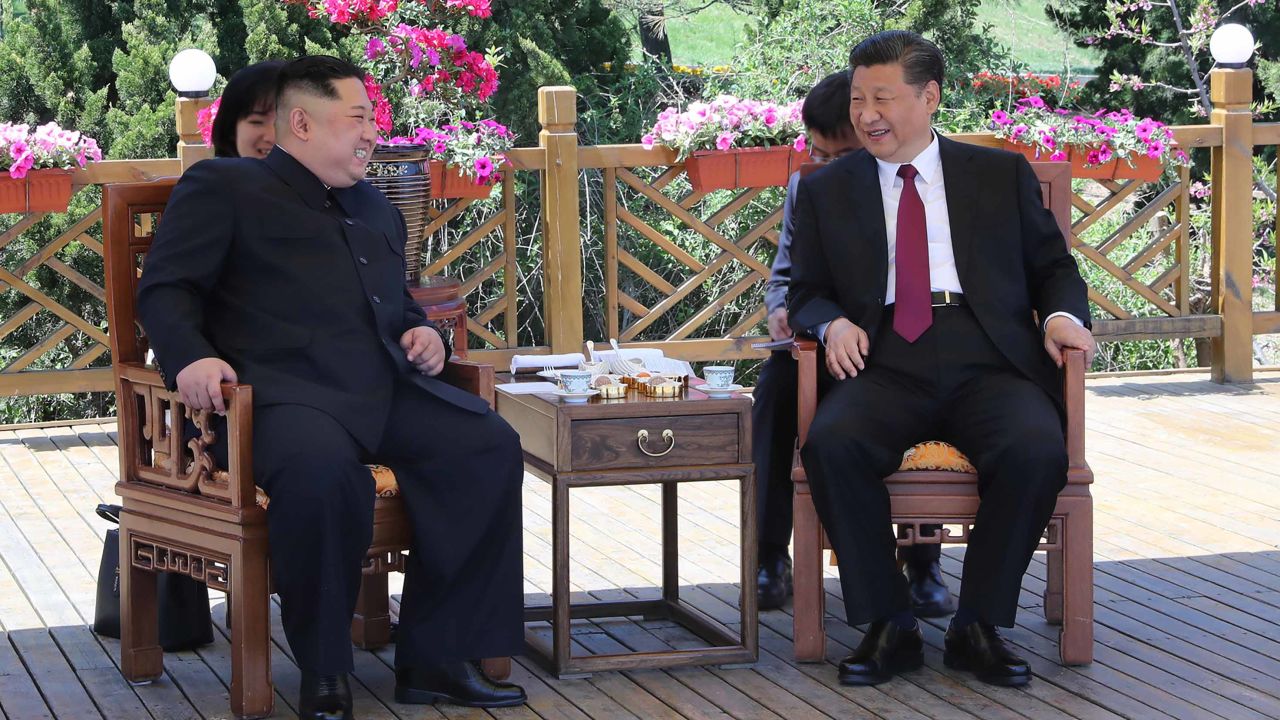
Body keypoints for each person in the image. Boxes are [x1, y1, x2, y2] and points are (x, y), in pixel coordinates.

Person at [137, 56, 527, 718]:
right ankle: (323, 672)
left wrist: (423, 334)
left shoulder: (373, 202)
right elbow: (167, 290)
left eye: (372, 119)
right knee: (325, 478)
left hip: (382, 388)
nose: (372, 134)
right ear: (301, 124)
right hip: (280, 399)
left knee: (486, 445)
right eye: (357, 120)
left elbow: (394, 307)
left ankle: (435, 657)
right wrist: (190, 359)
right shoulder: (224, 186)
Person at [788, 31, 1095, 688]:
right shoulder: (825, 189)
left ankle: (977, 624)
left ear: (929, 97)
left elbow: (1055, 270)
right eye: (859, 98)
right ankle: (889, 624)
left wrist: (1066, 318)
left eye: (883, 98)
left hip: (988, 353)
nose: (866, 114)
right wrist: (830, 320)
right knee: (833, 443)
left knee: (1038, 448)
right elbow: (803, 289)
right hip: (885, 355)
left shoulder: (997, 174)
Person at [754, 70, 954, 618]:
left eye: (836, 156)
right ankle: (769, 554)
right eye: (813, 153)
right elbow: (785, 275)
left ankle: (922, 561)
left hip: (898, 346)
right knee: (774, 386)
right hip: (823, 343)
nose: (821, 167)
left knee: (930, 374)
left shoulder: (918, 184)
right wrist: (780, 311)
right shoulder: (809, 186)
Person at [210, 60, 284, 159]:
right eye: (257, 122)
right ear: (231, 130)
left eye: (287, 123)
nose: (272, 137)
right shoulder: (206, 174)